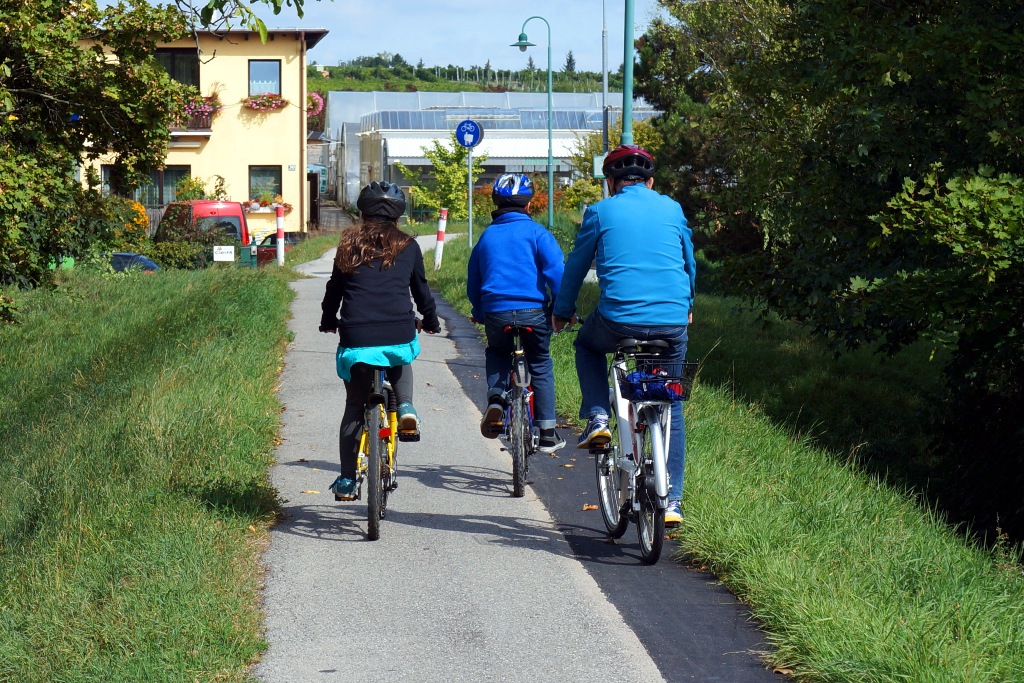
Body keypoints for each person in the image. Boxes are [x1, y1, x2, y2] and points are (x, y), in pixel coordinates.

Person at [552, 145, 696, 526]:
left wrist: (563, 311)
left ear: (611, 183)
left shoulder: (600, 211)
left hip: (618, 320)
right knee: (670, 399)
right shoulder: (673, 209)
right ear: (650, 181)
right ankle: (675, 501)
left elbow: (576, 266)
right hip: (672, 321)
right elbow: (688, 261)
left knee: (586, 345)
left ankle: (598, 417)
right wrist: (689, 304)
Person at [320, 181, 441, 500]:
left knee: (354, 407)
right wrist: (430, 321)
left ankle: (347, 480)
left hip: (356, 336)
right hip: (398, 331)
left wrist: (327, 320)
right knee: (401, 354)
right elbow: (421, 291)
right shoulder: (409, 246)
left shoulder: (348, 244)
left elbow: (335, 289)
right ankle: (405, 407)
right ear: (398, 214)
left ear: (363, 211)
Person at [467, 173, 566, 453]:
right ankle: (547, 432)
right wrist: (561, 307)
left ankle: (496, 398)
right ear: (529, 207)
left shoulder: (487, 237)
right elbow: (557, 272)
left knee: (498, 353)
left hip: (496, 312)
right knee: (540, 362)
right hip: (533, 312)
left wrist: (479, 310)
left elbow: (474, 280)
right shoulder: (537, 233)